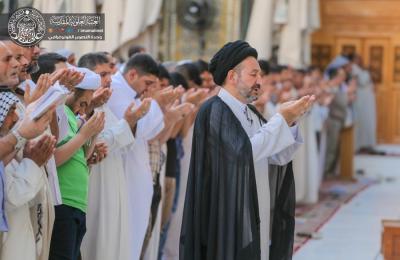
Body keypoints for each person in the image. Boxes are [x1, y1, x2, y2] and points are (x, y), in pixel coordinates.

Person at [180, 40, 314, 260]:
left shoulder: (250, 113)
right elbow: (243, 154)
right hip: (226, 214)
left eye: (260, 75)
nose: (259, 81)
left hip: (254, 209)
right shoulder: (214, 110)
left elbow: (277, 156)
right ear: (233, 76)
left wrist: (290, 123)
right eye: (254, 75)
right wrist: (281, 120)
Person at [78, 52, 151, 260]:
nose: (109, 79)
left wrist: (132, 121)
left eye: (110, 74)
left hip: (113, 183)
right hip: (96, 186)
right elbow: (96, 145)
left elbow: (119, 147)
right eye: (102, 74)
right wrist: (127, 122)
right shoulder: (81, 109)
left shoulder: (105, 108)